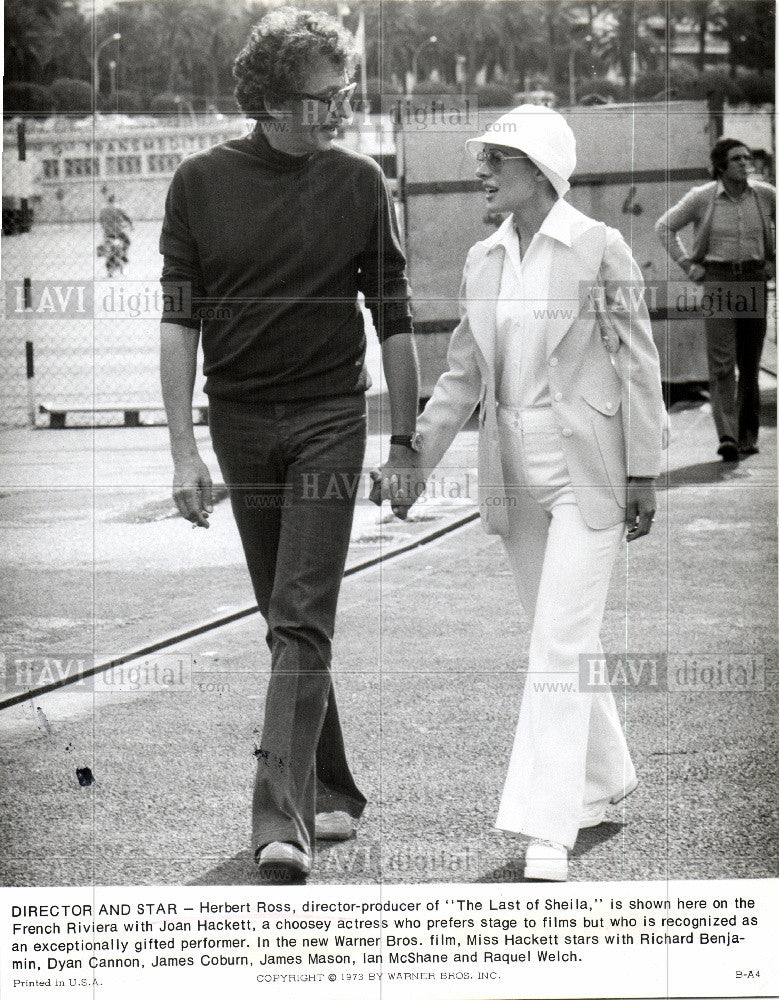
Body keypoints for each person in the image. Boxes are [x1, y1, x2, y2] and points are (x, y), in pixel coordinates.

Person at [159, 8, 419, 883]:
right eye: (323, 96)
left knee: (301, 613)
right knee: (287, 618)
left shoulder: (359, 183)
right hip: (235, 421)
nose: (340, 108)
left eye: (344, 92)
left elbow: (394, 318)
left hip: (328, 421)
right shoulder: (198, 183)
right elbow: (177, 322)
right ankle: (336, 788)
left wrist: (405, 438)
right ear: (271, 100)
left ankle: (282, 821)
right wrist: (182, 452)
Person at [375, 106, 665, 881]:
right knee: (560, 636)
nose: (482, 171)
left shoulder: (600, 250)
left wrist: (643, 469)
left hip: (591, 473)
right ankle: (600, 782)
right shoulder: (482, 260)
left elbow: (637, 365)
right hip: (515, 471)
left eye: (496, 160)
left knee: (556, 646)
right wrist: (415, 460)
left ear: (538, 171)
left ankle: (547, 827)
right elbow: (463, 375)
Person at [656, 137, 775, 460]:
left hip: (753, 279)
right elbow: (664, 226)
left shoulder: (765, 195)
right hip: (718, 281)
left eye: (747, 158)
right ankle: (727, 437)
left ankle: (747, 436)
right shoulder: (702, 198)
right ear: (721, 165)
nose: (744, 163)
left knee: (749, 364)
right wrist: (687, 266)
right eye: (737, 158)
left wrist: (773, 262)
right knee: (722, 363)